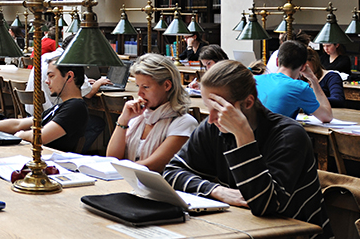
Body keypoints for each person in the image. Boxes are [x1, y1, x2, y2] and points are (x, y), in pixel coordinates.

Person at [164, 61, 332, 237]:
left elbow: (265, 205)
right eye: (208, 108)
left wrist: (244, 137)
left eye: (219, 109)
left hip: (295, 233)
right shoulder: (214, 126)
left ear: (248, 102)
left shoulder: (289, 135)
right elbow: (171, 173)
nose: (211, 118)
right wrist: (218, 191)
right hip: (242, 229)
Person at [106, 53, 197, 173]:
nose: (139, 93)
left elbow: (153, 166)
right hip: (129, 181)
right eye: (138, 86)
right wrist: (123, 120)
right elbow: (112, 158)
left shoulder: (184, 123)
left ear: (167, 85)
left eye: (146, 87)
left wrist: (121, 170)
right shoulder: (138, 117)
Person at [0, 59, 88, 153]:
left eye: (51, 76)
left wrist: (21, 135)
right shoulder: (60, 107)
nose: (46, 81)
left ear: (69, 77)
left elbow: (40, 137)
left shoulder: (76, 107)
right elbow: (18, 123)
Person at [255, 40, 333, 123]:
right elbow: (327, 117)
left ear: (277, 61)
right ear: (303, 67)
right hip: (276, 134)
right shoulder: (300, 88)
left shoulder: (255, 80)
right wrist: (313, 80)